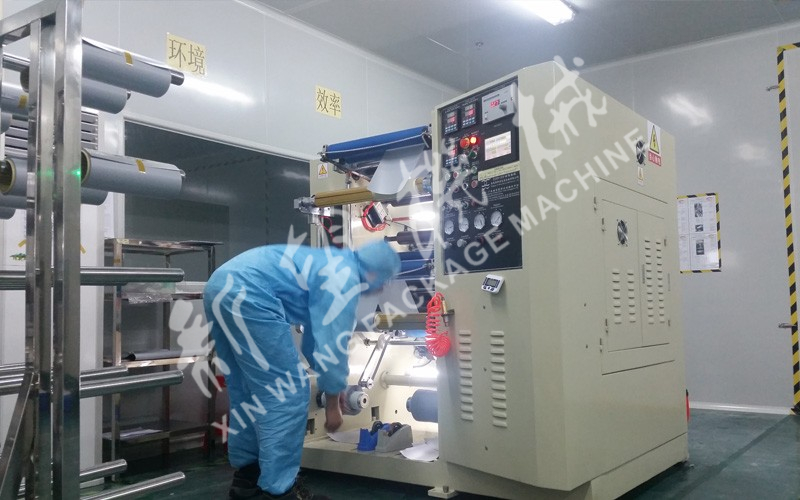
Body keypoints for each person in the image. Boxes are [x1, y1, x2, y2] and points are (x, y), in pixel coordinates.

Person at [204, 240, 400, 500]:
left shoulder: (333, 263)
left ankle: (247, 480)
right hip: (250, 292)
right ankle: (279, 490)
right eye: (384, 280)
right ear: (373, 273)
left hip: (218, 285)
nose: (382, 288)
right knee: (288, 391)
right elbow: (332, 346)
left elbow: (314, 339)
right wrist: (333, 404)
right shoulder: (345, 281)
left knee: (247, 391)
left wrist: (334, 385)